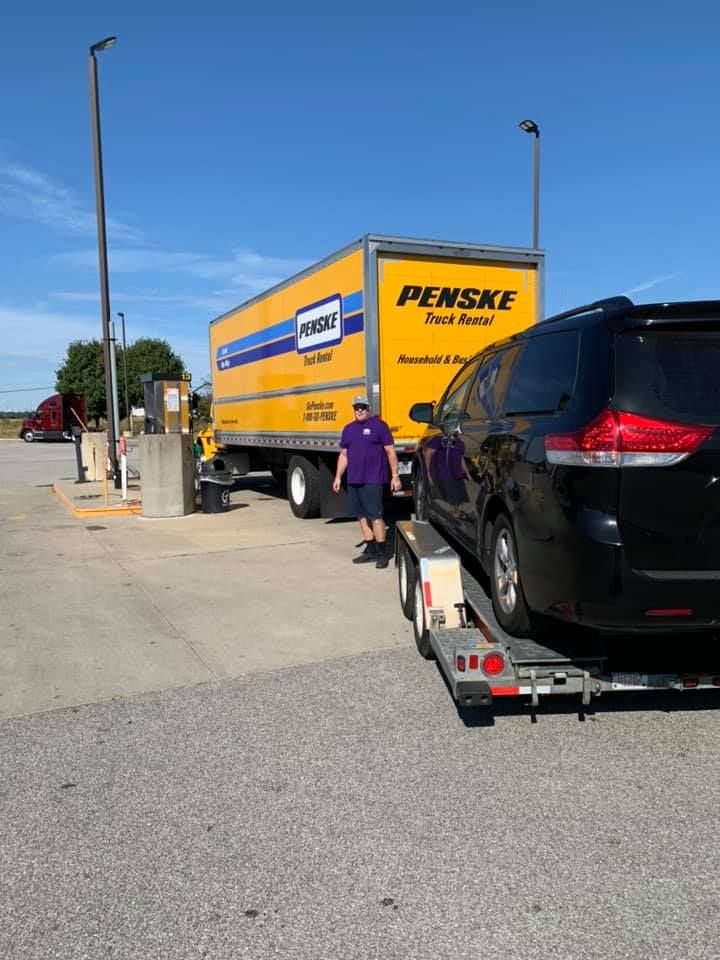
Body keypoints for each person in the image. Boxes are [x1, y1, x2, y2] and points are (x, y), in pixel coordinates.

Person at [333, 394, 401, 569]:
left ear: (369, 409)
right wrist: (338, 476)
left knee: (375, 517)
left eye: (362, 407)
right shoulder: (348, 429)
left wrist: (395, 475)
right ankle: (370, 551)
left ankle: (382, 553)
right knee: (361, 516)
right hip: (354, 480)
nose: (359, 410)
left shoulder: (379, 426)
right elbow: (344, 455)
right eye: (356, 407)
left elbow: (390, 452)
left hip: (373, 480)